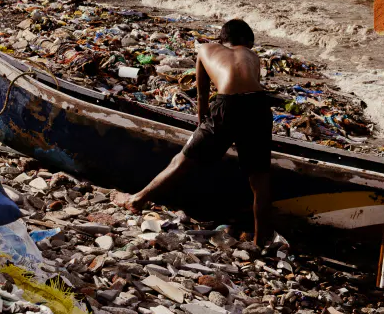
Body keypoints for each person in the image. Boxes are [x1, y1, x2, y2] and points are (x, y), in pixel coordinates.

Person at [112, 19, 272, 245]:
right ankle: (262, 242)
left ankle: (137, 200)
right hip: (259, 107)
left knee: (181, 161)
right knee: (260, 181)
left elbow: (203, 98)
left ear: (222, 40)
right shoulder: (252, 56)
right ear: (247, 42)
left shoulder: (205, 49)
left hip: (227, 105)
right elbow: (249, 90)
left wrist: (202, 130)